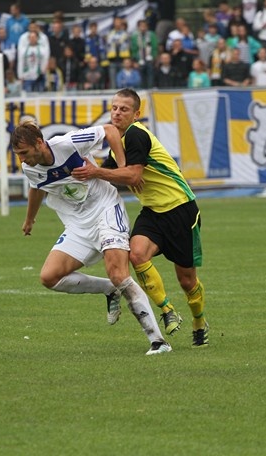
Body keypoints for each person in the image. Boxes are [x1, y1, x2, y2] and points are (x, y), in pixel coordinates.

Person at [12, 121, 172, 356]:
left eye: (24, 153)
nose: (22, 160)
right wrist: (29, 220)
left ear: (39, 143)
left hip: (106, 210)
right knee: (50, 277)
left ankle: (158, 341)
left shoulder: (67, 144)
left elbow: (109, 130)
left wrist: (122, 165)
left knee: (119, 273)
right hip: (78, 225)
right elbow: (36, 188)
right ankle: (110, 289)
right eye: (17, 155)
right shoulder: (30, 168)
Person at [72, 88, 210, 348]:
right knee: (136, 255)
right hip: (153, 212)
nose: (116, 113)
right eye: (113, 108)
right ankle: (167, 309)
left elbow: (132, 176)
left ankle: (199, 321)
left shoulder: (136, 135)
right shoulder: (117, 146)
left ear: (136, 114)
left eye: (123, 109)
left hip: (180, 209)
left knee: (187, 280)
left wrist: (96, 171)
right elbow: (108, 177)